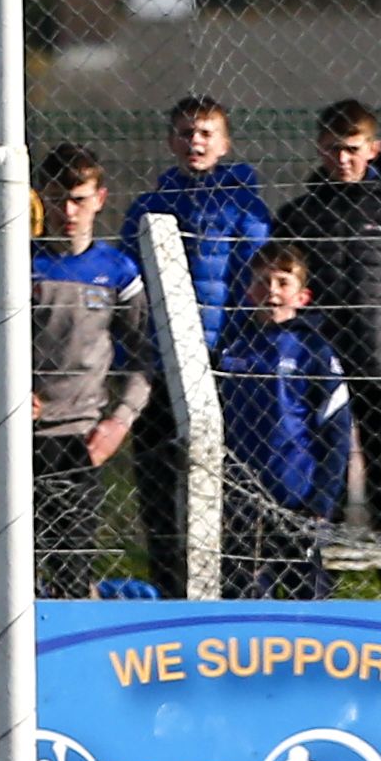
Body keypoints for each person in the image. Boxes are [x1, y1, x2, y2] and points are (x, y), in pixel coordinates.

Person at [266, 100, 381, 587]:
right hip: (317, 369)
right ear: (319, 149)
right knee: (320, 476)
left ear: (374, 149)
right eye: (333, 149)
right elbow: (275, 285)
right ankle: (311, 581)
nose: (343, 159)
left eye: (352, 149)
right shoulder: (300, 216)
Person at [122, 97, 271, 586]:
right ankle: (168, 581)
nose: (196, 142)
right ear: (172, 141)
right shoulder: (149, 207)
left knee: (229, 477)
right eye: (186, 133)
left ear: (224, 144)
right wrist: (134, 356)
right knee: (158, 478)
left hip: (221, 362)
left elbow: (253, 280)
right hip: (162, 363)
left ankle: (234, 580)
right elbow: (130, 289)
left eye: (206, 133)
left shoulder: (245, 208)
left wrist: (236, 350)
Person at [27, 144, 150, 599]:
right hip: (13, 436)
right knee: (10, 569)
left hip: (79, 440)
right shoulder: (17, 264)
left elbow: (146, 356)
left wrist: (120, 421)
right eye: (57, 199)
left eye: (78, 199)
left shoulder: (117, 272)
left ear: (99, 199)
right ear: (41, 198)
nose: (68, 212)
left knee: (71, 570)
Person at [211, 245, 349, 599]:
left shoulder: (314, 352)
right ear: (248, 291)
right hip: (239, 496)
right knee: (244, 591)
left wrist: (322, 500)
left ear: (302, 297)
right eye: (262, 281)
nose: (271, 290)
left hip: (296, 497)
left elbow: (337, 432)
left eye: (282, 282)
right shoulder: (231, 347)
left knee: (307, 592)